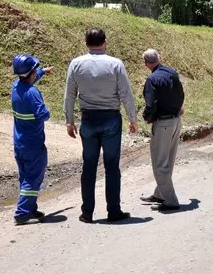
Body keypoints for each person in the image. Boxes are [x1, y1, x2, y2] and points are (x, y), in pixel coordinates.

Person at [64, 28, 139, 223]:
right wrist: (133, 118)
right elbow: (125, 94)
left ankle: (87, 212)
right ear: (104, 42)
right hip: (111, 119)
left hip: (88, 119)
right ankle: (113, 210)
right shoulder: (115, 64)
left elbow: (70, 95)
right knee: (112, 166)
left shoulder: (76, 64)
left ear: (86, 43)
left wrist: (69, 121)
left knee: (88, 166)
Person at [139, 49, 185, 211]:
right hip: (176, 120)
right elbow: (181, 93)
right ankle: (160, 194)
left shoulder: (152, 79)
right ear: (159, 58)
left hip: (163, 123)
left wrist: (147, 117)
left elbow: (151, 105)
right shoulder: (172, 72)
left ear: (146, 63)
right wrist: (179, 107)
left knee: (160, 163)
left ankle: (171, 200)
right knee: (168, 159)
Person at [11, 53, 52, 225]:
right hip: (33, 144)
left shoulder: (16, 87)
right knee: (33, 177)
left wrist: (42, 71)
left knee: (25, 176)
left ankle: (31, 208)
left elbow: (29, 81)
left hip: (20, 143)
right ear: (31, 72)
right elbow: (44, 115)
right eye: (35, 70)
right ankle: (22, 213)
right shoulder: (33, 93)